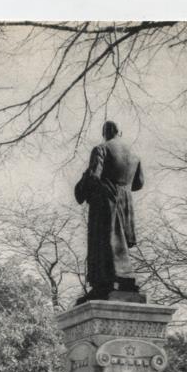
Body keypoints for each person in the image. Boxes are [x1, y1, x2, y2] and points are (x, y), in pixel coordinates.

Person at [74, 120, 145, 301]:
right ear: (119, 132)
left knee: (103, 242)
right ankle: (125, 279)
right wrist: (124, 187)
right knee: (119, 244)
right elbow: (139, 183)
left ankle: (102, 284)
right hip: (125, 202)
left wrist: (82, 186)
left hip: (106, 200)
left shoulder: (101, 149)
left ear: (105, 132)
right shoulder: (134, 155)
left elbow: (94, 176)